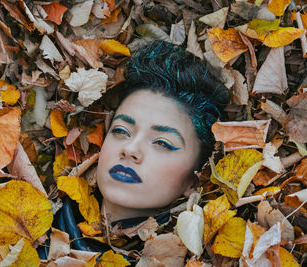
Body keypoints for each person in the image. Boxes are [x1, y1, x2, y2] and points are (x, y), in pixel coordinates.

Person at [39, 41, 229, 258]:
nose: (130, 149)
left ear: (195, 180)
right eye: (121, 131)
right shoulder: (27, 231)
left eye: (162, 143)